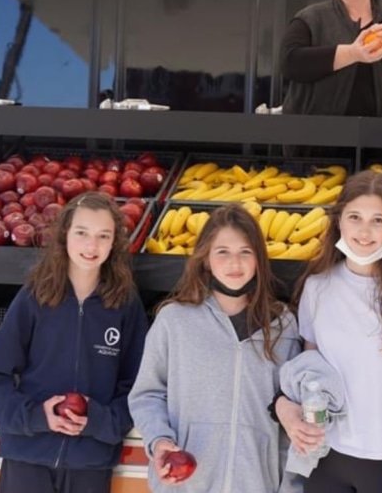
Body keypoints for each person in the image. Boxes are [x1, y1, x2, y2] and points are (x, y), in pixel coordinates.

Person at [275, 170, 382, 493]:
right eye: (355, 217)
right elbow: (313, 376)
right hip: (325, 457)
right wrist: (289, 411)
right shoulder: (317, 286)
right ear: (339, 220)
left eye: (377, 220)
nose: (364, 231)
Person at [0, 192, 148, 493]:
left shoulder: (124, 305)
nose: (91, 246)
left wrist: (98, 421)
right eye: (82, 233)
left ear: (114, 243)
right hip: (27, 460)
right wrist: (34, 416)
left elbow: (139, 389)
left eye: (103, 236)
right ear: (65, 234)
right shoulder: (36, 296)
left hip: (89, 466)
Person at [128, 203, 302, 493]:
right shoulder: (175, 320)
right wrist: (159, 440)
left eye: (245, 252)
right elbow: (147, 394)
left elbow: (292, 418)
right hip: (187, 485)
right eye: (223, 252)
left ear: (259, 259)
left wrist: (290, 487)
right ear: (206, 259)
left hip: (258, 485)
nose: (235, 263)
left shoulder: (282, 325)